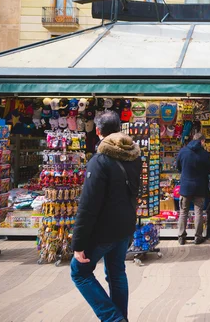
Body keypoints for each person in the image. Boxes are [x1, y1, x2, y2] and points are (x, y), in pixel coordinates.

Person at [71, 112, 142, 322]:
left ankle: (114, 318)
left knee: (79, 273)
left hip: (103, 231)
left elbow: (88, 205)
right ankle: (122, 318)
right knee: (117, 273)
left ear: (98, 131)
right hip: (123, 228)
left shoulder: (100, 161)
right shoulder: (133, 158)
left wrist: (78, 243)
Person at [176, 132, 210, 245]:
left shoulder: (183, 151)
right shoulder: (204, 154)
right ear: (202, 141)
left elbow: (178, 166)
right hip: (200, 186)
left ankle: (181, 237)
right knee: (198, 212)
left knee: (183, 212)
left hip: (185, 186)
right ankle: (198, 237)